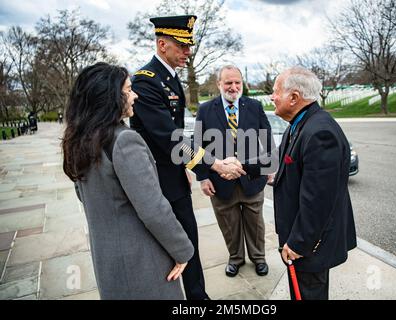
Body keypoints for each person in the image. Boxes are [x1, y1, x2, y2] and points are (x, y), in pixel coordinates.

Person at [130, 15, 244, 300]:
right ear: (162, 44)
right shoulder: (146, 81)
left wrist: (190, 165)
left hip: (173, 176)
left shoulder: (168, 78)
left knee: (188, 242)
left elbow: (178, 138)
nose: (187, 52)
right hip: (156, 182)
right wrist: (215, 164)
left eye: (188, 46)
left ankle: (197, 297)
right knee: (168, 248)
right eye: (182, 46)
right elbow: (170, 138)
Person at [62, 62, 195, 300]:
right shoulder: (125, 141)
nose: (135, 95)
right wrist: (183, 251)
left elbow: (85, 196)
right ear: (111, 97)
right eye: (128, 90)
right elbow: (154, 209)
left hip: (107, 259)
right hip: (142, 262)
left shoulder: (80, 140)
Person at [271, 67, 357, 300]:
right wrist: (240, 166)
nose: (272, 96)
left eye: (276, 90)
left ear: (294, 98)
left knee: (309, 293)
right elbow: (281, 162)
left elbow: (318, 201)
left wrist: (298, 244)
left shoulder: (319, 132)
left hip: (309, 244)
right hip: (300, 237)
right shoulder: (300, 123)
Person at [195, 65, 275, 277]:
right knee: (229, 225)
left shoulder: (255, 106)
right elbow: (197, 146)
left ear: (242, 84)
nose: (233, 87)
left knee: (255, 224)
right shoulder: (205, 109)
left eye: (237, 82)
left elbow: (266, 137)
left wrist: (270, 167)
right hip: (219, 181)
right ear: (219, 84)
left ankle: (258, 258)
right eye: (228, 82)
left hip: (252, 178)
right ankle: (236, 258)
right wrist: (203, 177)